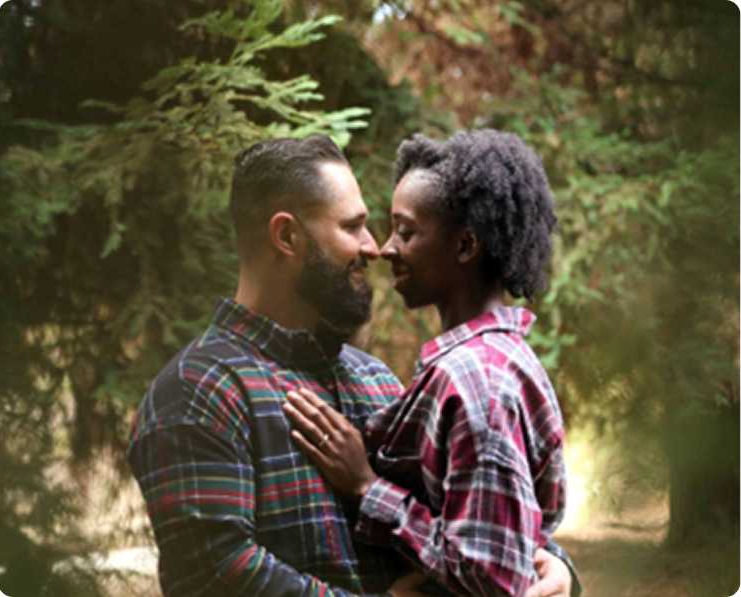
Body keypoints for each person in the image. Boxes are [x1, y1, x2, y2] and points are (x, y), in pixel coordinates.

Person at [127, 135, 576, 597]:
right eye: (352, 227)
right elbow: (215, 575)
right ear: (287, 237)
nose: (373, 247)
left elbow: (471, 515)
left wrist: (552, 567)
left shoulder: (374, 381)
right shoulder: (196, 391)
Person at [283, 130, 569, 597]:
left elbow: (491, 575)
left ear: (465, 245)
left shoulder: (477, 382)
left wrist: (367, 486)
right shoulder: (500, 360)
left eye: (406, 231)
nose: (385, 248)